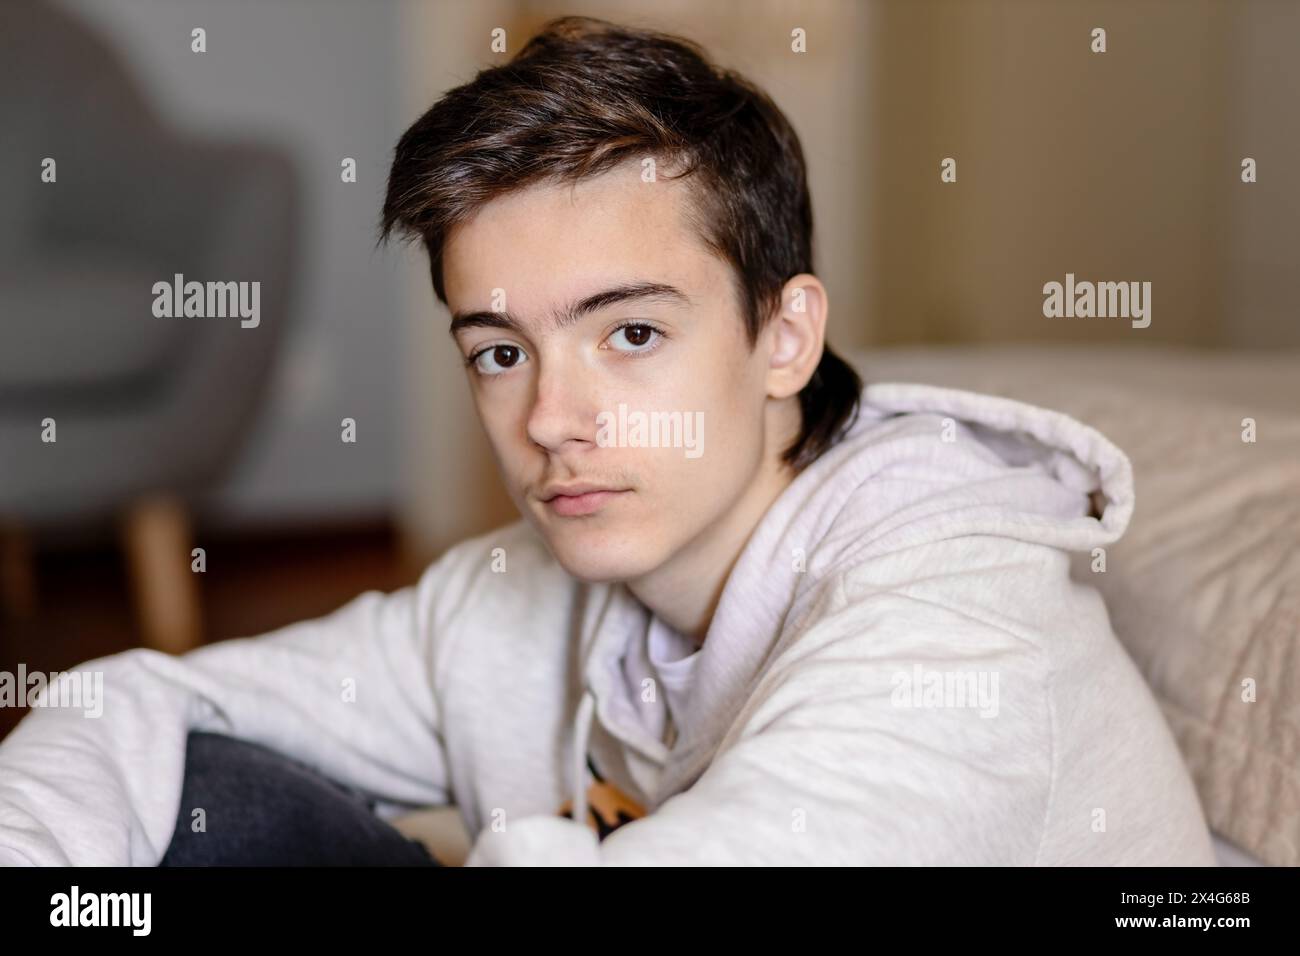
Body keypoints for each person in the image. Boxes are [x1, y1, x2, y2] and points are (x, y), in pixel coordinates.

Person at [0, 15, 1215, 866]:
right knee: (200, 803)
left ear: (783, 337)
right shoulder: (512, 599)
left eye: (630, 333)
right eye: (499, 349)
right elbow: (137, 700)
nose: (547, 421)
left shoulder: (958, 625)